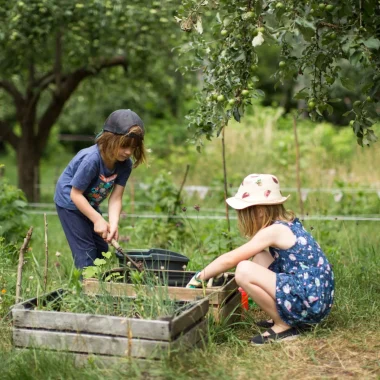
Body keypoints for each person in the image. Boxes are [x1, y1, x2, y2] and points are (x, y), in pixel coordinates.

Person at [186, 174, 334, 345]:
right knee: (261, 257)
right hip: (315, 296)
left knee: (243, 270)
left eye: (244, 213)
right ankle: (287, 316)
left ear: (261, 211)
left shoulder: (273, 231)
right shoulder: (287, 224)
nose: (242, 218)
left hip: (310, 301)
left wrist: (198, 277)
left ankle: (284, 324)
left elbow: (230, 260)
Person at [54, 109, 146, 269]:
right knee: (87, 252)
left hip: (89, 202)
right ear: (109, 140)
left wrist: (113, 223)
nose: (128, 152)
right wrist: (97, 219)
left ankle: (97, 284)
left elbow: (116, 198)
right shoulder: (91, 160)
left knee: (102, 249)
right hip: (70, 202)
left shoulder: (125, 164)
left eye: (133, 147)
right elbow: (75, 194)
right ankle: (85, 290)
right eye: (124, 145)